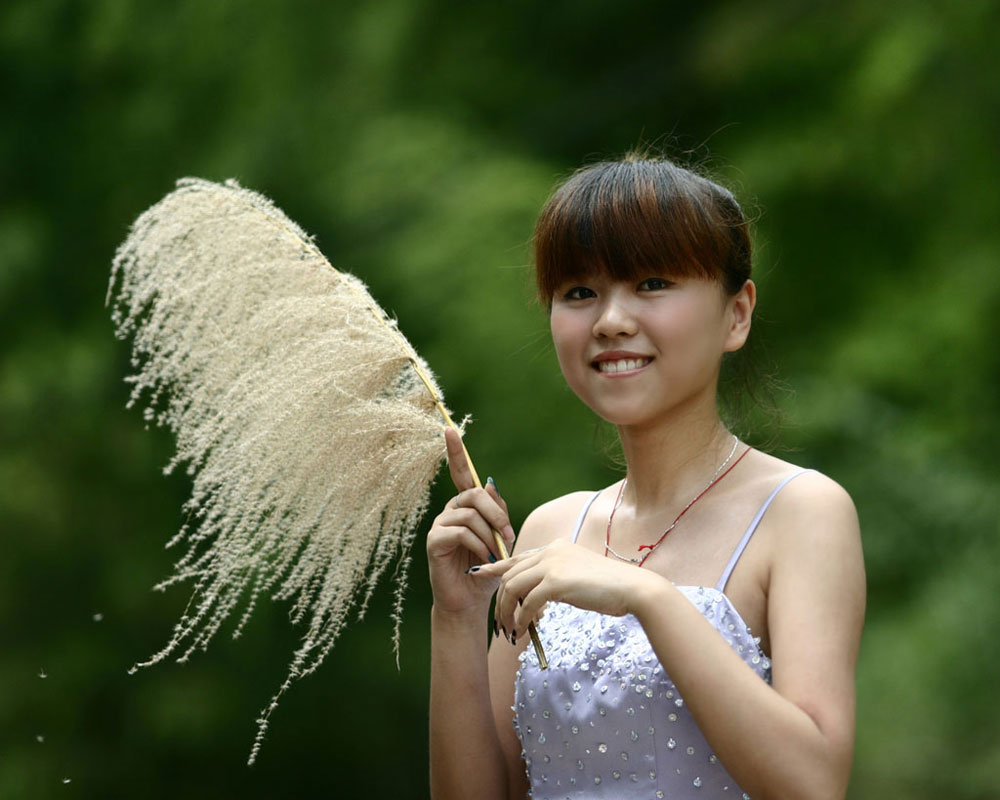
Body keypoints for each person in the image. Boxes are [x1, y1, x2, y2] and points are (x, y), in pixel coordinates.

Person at [426, 153, 866, 800]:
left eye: (653, 283)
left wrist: (647, 596)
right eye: (579, 293)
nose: (609, 321)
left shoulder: (801, 512)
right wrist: (457, 620)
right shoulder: (552, 528)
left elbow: (813, 782)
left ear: (737, 314)